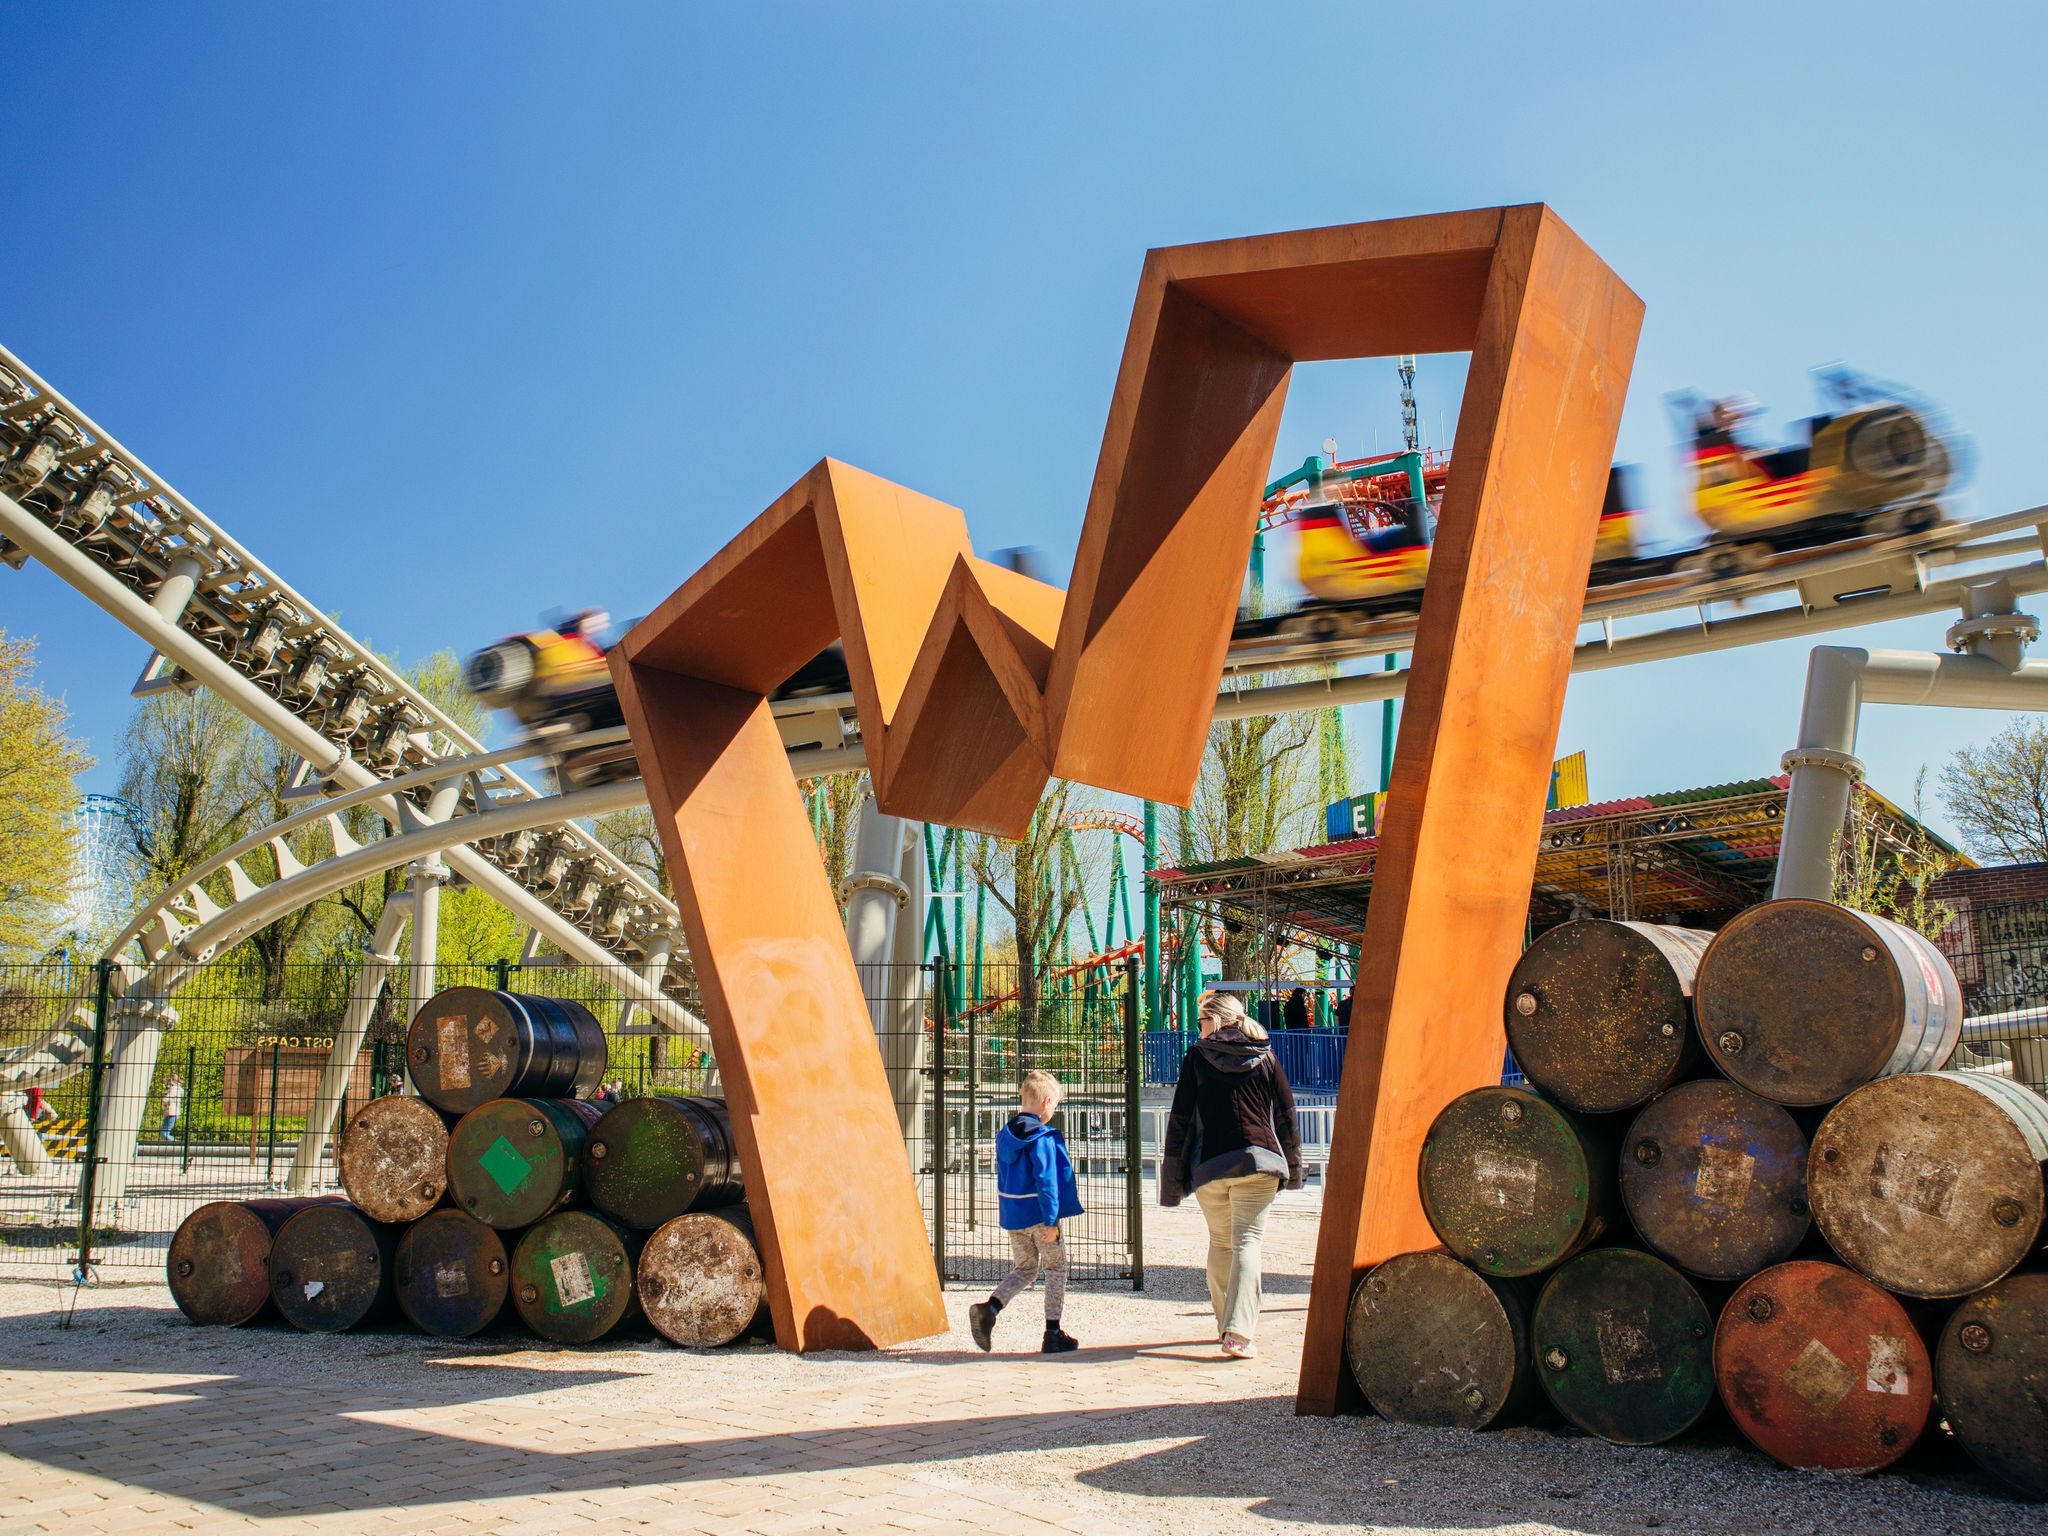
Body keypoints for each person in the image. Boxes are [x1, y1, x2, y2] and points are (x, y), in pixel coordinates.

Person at [1160, 990, 1303, 1359]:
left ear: (1218, 1020)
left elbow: (1180, 1121)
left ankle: (1227, 1325)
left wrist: (1173, 1179)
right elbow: (1286, 1114)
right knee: (1247, 1243)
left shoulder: (1196, 1057)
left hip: (1211, 1165)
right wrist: (1295, 1168)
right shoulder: (1266, 1055)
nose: (1198, 1029)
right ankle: (1239, 1333)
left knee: (1221, 1243)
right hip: (1259, 1161)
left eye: (1201, 1021)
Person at [969, 1069, 1083, 1355]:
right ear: (1046, 1103)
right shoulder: (1042, 1138)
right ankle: (1053, 1332)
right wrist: (1051, 1221)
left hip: (1014, 1216)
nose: (1054, 1110)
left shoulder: (1005, 1135)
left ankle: (990, 1308)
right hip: (1039, 1215)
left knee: (1025, 1268)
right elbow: (1047, 1181)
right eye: (1055, 1104)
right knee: (1056, 1268)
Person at [160, 1072, 185, 1143]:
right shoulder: (177, 1089)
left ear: (171, 1080)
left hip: (172, 1113)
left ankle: (177, 1144)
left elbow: (166, 1099)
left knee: (165, 1133)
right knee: (164, 1133)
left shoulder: (174, 1089)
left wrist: (163, 1099)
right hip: (171, 1112)